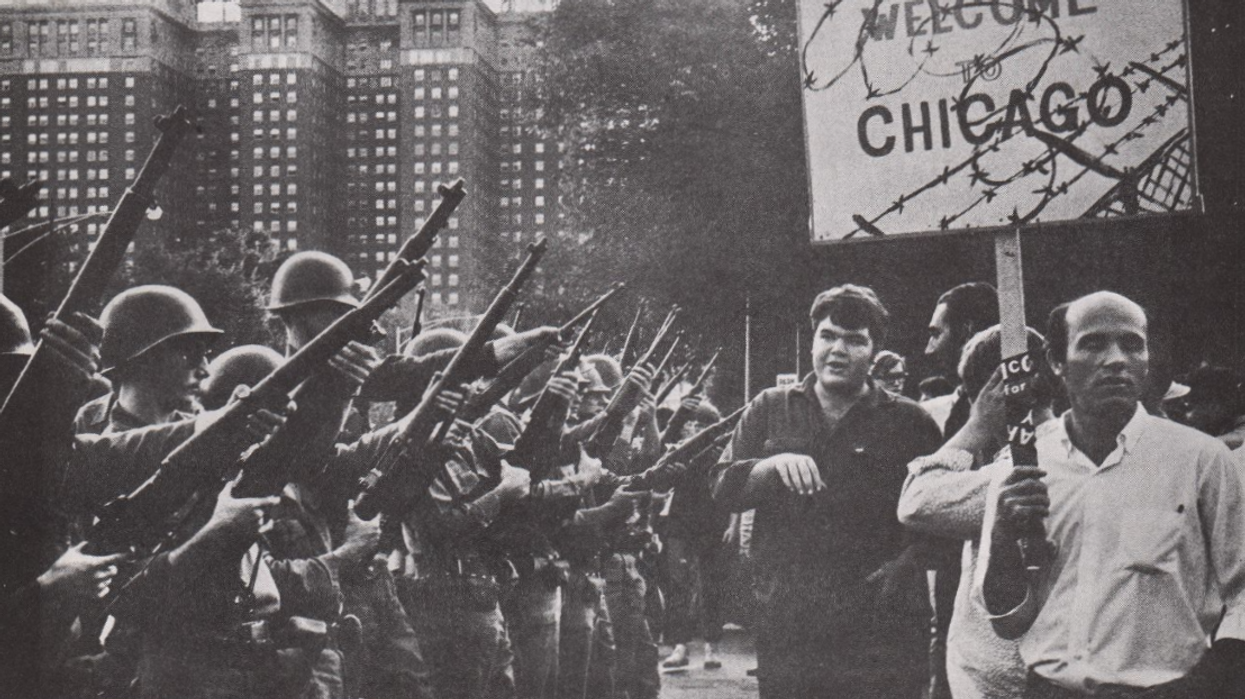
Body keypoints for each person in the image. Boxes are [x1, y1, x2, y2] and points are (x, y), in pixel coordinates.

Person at [979, 291, 1245, 698]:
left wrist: (1212, 681)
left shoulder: (1201, 460)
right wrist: (1002, 540)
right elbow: (1007, 620)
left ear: (1147, 360)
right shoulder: (1022, 466)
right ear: (1056, 361)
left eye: (1132, 344)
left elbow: (1241, 590)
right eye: (1093, 343)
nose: (1117, 359)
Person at [712, 284, 941, 699]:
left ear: (874, 351)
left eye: (855, 340)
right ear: (813, 338)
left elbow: (939, 516)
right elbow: (722, 490)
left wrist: (908, 564)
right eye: (828, 335)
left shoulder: (910, 422)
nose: (838, 350)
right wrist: (769, 466)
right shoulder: (770, 407)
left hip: (879, 626)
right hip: (791, 620)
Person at [898, 325, 1053, 699]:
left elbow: (915, 500)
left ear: (992, 393)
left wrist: (976, 425)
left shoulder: (1019, 469)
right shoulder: (1059, 453)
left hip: (1001, 678)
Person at [75, 285, 223, 434]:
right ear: (146, 361)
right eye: (192, 354)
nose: (205, 372)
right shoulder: (91, 438)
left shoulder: (200, 431)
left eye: (205, 353)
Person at [658, 399, 731, 671]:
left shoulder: (723, 452)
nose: (696, 429)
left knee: (711, 583)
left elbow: (731, 489)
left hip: (712, 523)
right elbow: (660, 482)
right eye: (692, 424)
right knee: (678, 583)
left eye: (702, 424)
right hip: (679, 523)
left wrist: (732, 524)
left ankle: (712, 645)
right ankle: (680, 645)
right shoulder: (677, 451)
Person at [1176, 364, 1245, 449]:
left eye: (1193, 406)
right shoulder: (1214, 426)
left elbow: (1237, 439)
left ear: (1215, 404)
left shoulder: (1240, 429)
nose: (1189, 415)